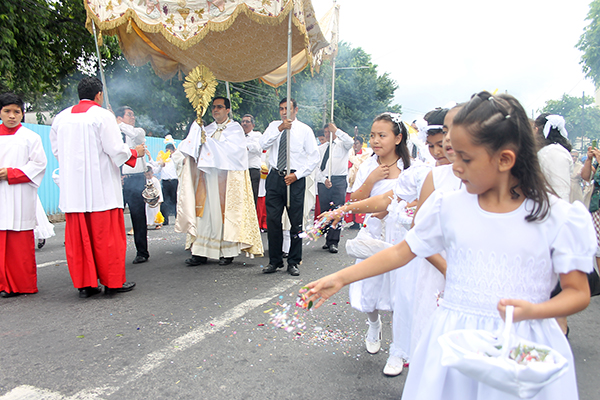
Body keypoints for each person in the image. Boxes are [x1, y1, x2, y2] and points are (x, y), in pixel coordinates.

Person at [307, 91, 594, 399]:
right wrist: (341, 278)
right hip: (454, 343)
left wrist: (537, 311)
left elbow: (578, 293)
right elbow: (402, 252)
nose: (455, 167)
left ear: (505, 159)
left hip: (521, 348)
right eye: (453, 154)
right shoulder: (449, 206)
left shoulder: (557, 217)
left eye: (465, 158)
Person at [50, 77, 142, 298]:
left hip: (74, 191)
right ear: (99, 95)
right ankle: (112, 282)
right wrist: (134, 152)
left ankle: (86, 285)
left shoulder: (60, 118)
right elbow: (115, 149)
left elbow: (57, 151)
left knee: (80, 240)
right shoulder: (103, 116)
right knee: (107, 239)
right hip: (101, 189)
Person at [177, 96, 263, 266]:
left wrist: (207, 142)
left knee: (224, 215)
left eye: (219, 107)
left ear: (227, 110)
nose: (215, 110)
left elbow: (234, 152)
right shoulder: (207, 128)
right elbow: (192, 148)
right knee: (204, 214)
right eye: (213, 107)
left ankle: (226, 252)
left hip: (226, 179)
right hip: (206, 178)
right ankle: (200, 252)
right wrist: (197, 135)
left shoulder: (235, 129)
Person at [260, 98, 320, 276]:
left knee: (295, 222)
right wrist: (279, 129)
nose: (284, 112)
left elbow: (314, 157)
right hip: (275, 176)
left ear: (296, 110)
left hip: (294, 178)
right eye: (281, 109)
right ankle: (275, 260)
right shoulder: (274, 126)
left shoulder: (304, 130)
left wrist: (297, 175)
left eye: (288, 108)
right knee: (273, 221)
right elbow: (263, 144)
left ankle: (293, 261)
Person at [0, 93, 47, 298]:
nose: (12, 116)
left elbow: (39, 164)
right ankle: (3, 284)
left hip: (19, 194)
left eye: (16, 112)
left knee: (19, 242)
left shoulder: (31, 137)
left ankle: (22, 284)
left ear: (22, 113)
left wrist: (11, 173)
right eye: (7, 111)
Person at [116, 106, 149, 264]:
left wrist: (117, 123)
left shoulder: (137, 132)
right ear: (120, 117)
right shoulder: (113, 134)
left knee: (138, 216)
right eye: (129, 115)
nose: (133, 117)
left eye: (133, 114)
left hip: (135, 179)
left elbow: (135, 134)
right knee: (114, 218)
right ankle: (114, 253)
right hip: (117, 179)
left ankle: (142, 252)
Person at [316, 123, 354, 253]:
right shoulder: (321, 148)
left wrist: (337, 131)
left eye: (329, 131)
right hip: (324, 180)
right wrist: (323, 180)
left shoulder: (342, 145)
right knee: (325, 210)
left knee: (337, 210)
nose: (327, 134)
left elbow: (350, 141)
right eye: (326, 132)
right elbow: (316, 167)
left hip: (338, 180)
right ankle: (327, 238)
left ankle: (333, 241)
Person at [345, 135, 372, 229]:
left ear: (361, 144)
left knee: (359, 201)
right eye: (353, 144)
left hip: (360, 180)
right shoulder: (349, 154)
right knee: (350, 201)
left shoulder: (366, 155)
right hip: (350, 181)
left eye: (356, 143)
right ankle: (353, 221)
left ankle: (359, 221)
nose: (355, 146)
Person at [158, 137, 183, 226]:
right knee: (165, 201)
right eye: (166, 151)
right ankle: (165, 220)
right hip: (165, 182)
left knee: (176, 200)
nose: (167, 152)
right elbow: (157, 168)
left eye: (169, 151)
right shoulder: (163, 159)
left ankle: (178, 219)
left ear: (172, 151)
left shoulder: (175, 159)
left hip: (174, 181)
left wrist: (174, 152)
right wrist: (161, 164)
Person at [242, 114, 262, 206]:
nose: (244, 123)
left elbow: (257, 148)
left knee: (252, 197)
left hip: (252, 170)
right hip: (240, 170)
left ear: (253, 125)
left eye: (247, 121)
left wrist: (244, 146)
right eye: (243, 121)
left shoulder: (257, 135)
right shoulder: (238, 136)